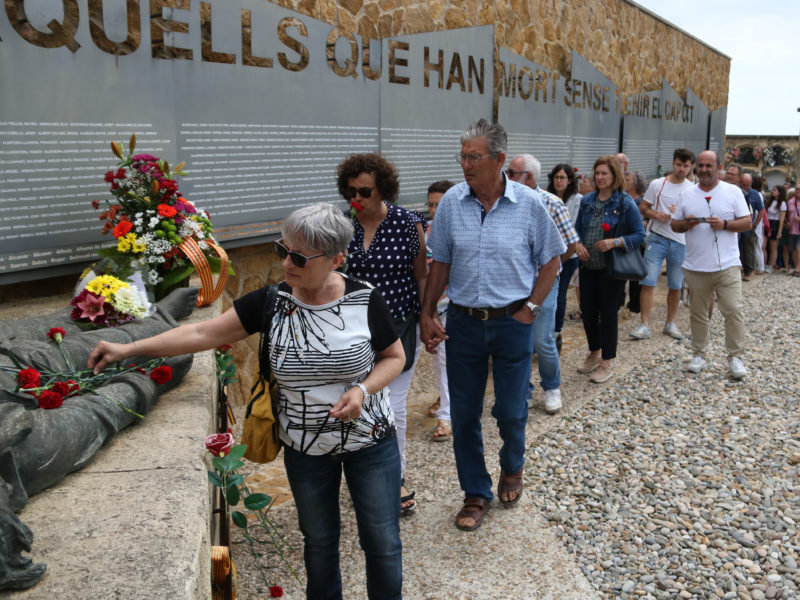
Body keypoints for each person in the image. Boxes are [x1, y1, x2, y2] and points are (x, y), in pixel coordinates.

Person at [88, 203, 406, 600]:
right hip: (305, 449)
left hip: (370, 442)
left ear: (336, 259)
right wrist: (127, 348)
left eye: (299, 257)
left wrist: (362, 389)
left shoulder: (365, 300)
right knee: (320, 543)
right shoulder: (271, 303)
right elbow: (201, 335)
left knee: (382, 542)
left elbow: (395, 358)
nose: (287, 263)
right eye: (282, 250)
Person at [420, 118, 565, 532]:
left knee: (510, 410)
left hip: (511, 323)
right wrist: (428, 313)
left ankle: (512, 466)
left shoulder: (530, 204)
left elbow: (552, 261)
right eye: (462, 156)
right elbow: (441, 260)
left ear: (499, 159)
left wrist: (532, 309)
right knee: (463, 414)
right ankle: (475, 491)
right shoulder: (451, 201)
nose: (466, 164)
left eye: (473, 157)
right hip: (463, 324)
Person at [336, 153, 427, 515]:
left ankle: (395, 476)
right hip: (354, 332)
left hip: (399, 326)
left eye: (364, 191)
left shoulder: (407, 223)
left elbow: (421, 274)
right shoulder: (342, 226)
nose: (356, 199)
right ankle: (365, 473)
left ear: (383, 190)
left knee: (394, 405)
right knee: (360, 402)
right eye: (350, 191)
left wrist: (427, 317)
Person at [507, 153, 579, 413]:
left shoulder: (551, 203)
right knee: (517, 339)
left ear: (528, 176)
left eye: (511, 173)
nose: (506, 176)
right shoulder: (506, 202)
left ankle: (552, 386)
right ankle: (522, 390)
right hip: (514, 283)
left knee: (541, 339)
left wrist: (552, 265)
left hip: (543, 284)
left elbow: (571, 242)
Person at [671, 151, 752, 379]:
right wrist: (685, 224)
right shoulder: (687, 194)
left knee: (733, 309)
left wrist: (725, 224)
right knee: (698, 313)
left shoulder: (732, 192)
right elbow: (675, 225)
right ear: (696, 167)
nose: (705, 170)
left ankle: (735, 357)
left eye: (709, 166)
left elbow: (747, 222)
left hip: (727, 264)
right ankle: (699, 353)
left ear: (719, 167)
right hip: (696, 266)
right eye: (701, 165)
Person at [573, 155, 645, 384]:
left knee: (608, 315)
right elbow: (576, 231)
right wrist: (578, 245)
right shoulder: (587, 201)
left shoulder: (624, 202)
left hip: (611, 268)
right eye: (597, 173)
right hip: (587, 266)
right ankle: (594, 351)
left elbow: (639, 235)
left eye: (605, 173)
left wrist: (615, 242)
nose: (600, 177)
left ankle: (606, 362)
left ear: (615, 175)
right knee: (588, 312)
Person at [630, 148, 696, 341]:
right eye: (678, 164)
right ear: (673, 163)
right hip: (657, 236)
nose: (681, 169)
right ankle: (644, 324)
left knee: (676, 284)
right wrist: (656, 214)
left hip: (680, 240)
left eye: (685, 166)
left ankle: (670, 323)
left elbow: (696, 216)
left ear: (691, 166)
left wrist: (683, 213)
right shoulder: (658, 184)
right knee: (648, 281)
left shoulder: (692, 189)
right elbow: (643, 207)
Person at [424, 179, 455, 441]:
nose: (434, 210)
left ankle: (447, 415)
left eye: (439, 204)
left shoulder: (458, 231)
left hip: (447, 307)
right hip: (422, 307)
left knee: (444, 361)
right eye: (430, 205)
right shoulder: (422, 231)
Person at [546, 163, 582, 344]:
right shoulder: (545, 197)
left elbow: (572, 227)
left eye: (563, 178)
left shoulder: (576, 199)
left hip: (568, 255)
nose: (559, 181)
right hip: (548, 253)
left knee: (559, 293)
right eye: (556, 178)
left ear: (569, 181)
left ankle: (556, 331)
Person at [621, 169, 648, 319]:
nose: (625, 181)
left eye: (628, 179)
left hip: (638, 243)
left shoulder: (642, 202)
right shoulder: (622, 198)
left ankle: (635, 305)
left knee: (635, 276)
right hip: (624, 239)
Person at [764, 185, 787, 273]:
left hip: (775, 224)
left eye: (775, 190)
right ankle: (764, 264)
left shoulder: (782, 204)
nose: (772, 192)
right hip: (768, 223)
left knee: (773, 247)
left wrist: (779, 232)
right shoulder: (770, 202)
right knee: (764, 245)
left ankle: (771, 265)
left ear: (780, 192)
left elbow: (781, 220)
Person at [788, 186, 800, 277]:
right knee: (793, 250)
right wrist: (787, 223)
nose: (798, 190)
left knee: (798, 249)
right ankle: (797, 268)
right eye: (796, 189)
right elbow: (787, 214)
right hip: (792, 230)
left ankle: (797, 269)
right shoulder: (790, 202)